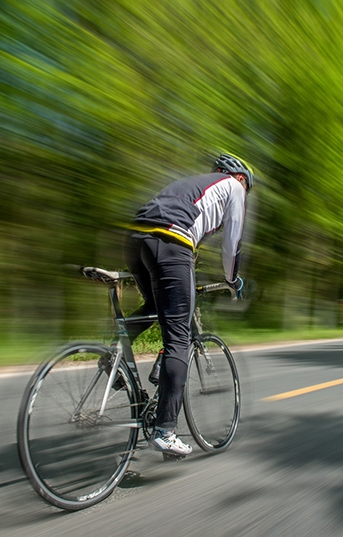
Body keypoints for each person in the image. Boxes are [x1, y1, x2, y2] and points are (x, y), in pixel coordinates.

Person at [123, 153, 254, 456]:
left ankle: (113, 352)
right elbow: (231, 245)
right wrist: (233, 279)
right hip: (170, 242)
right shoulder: (233, 188)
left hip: (135, 239)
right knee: (179, 338)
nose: (244, 192)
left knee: (157, 307)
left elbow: (189, 233)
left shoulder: (192, 187)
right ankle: (165, 429)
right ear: (240, 178)